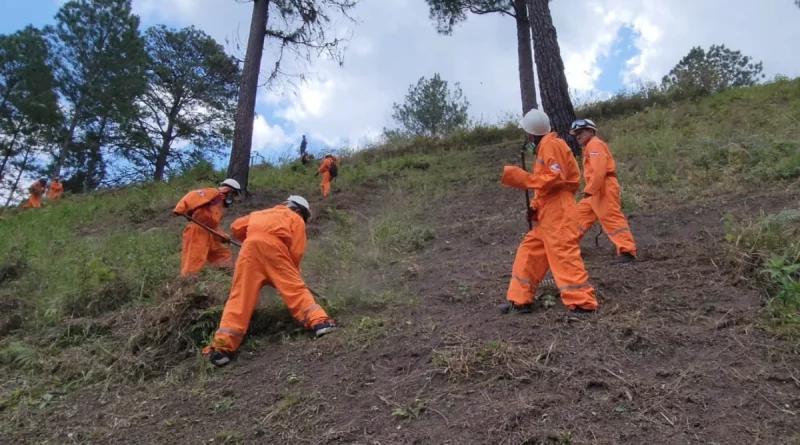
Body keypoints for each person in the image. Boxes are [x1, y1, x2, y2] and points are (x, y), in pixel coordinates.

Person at [203, 195, 336, 366]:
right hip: (275, 251)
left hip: (248, 253)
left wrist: (253, 237)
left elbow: (235, 227)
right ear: (297, 210)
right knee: (295, 289)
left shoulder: (260, 213)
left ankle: (221, 348)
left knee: (239, 298)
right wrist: (293, 272)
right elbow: (296, 251)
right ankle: (320, 322)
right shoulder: (295, 218)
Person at [498, 108, 598, 314]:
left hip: (559, 210)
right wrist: (535, 205)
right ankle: (520, 299)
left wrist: (523, 179)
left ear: (531, 133)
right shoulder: (545, 147)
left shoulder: (552, 145)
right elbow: (545, 185)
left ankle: (582, 301)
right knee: (529, 252)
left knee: (563, 253)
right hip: (548, 212)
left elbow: (554, 178)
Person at [570, 119, 637, 264]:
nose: (578, 136)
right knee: (577, 217)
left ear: (591, 131)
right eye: (576, 134)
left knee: (611, 217)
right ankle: (566, 247)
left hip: (602, 187)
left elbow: (599, 170)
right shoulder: (589, 146)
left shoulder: (595, 144)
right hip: (595, 190)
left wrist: (590, 189)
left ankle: (627, 251)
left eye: (580, 132)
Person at [172, 179, 242, 276]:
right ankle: (187, 284)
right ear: (229, 191)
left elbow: (212, 226)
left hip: (208, 233)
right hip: (197, 232)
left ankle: (228, 276)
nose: (233, 199)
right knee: (194, 259)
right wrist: (180, 208)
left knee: (223, 254)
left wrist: (224, 237)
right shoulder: (213, 193)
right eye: (234, 196)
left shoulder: (218, 205)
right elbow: (193, 195)